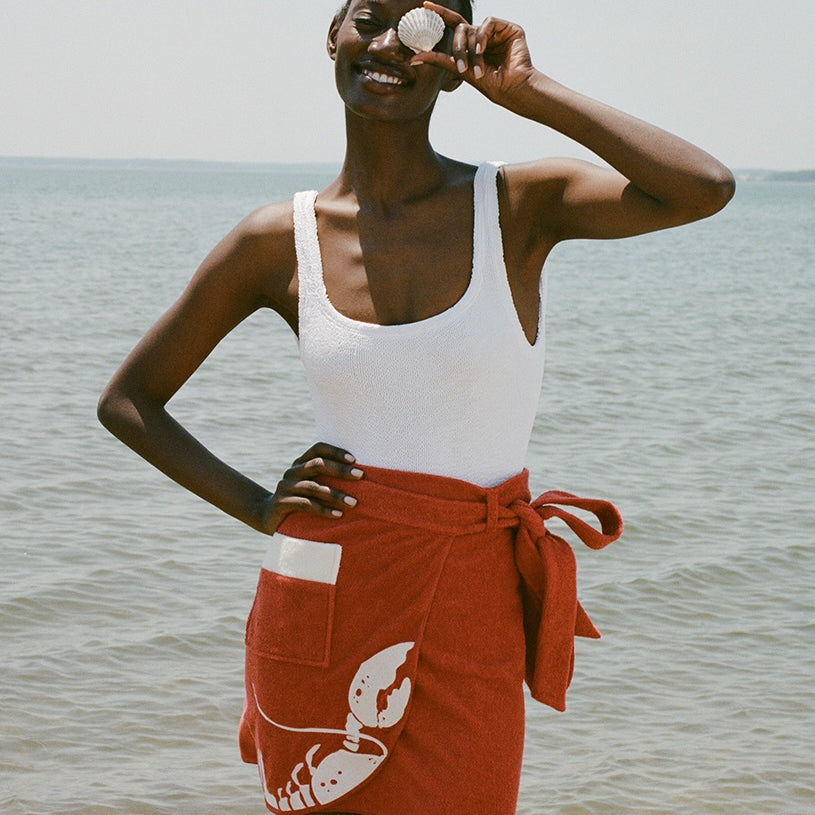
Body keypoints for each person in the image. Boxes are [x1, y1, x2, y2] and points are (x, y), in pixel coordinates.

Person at [98, 1, 734, 813]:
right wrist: (259, 503)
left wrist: (528, 90)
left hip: (475, 593)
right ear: (334, 34)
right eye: (371, 16)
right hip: (322, 591)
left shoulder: (517, 206)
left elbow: (702, 187)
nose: (390, 42)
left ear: (452, 53)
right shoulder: (274, 239)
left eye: (423, 25)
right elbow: (130, 401)